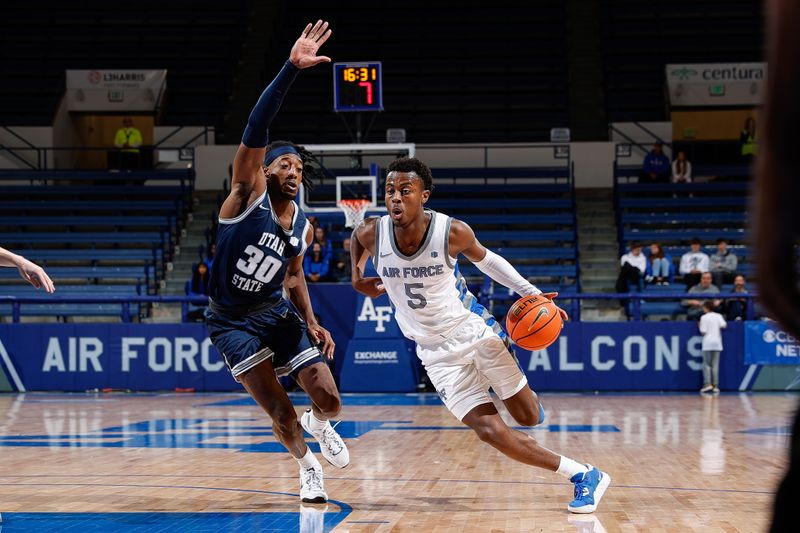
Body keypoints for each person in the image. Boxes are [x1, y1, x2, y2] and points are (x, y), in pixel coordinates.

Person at [350, 157, 611, 514]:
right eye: (390, 191)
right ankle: (583, 474)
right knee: (489, 432)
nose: (395, 198)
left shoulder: (451, 231)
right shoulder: (369, 232)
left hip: (474, 331)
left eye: (405, 191)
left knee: (528, 417)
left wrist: (531, 294)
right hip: (435, 353)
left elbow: (489, 262)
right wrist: (360, 280)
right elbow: (356, 261)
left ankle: (523, 394)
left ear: (423, 195)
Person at [204, 21, 349, 505]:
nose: (293, 171)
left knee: (330, 400)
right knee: (281, 413)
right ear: (265, 169)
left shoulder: (304, 226)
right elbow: (255, 129)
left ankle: (319, 424)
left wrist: (312, 320)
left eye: (299, 168)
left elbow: (291, 275)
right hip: (230, 321)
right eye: (284, 164)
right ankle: (308, 468)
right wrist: (290, 68)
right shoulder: (246, 195)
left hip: (274, 310)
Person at [698, 300, 726, 394]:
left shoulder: (704, 317)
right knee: (715, 365)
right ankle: (716, 386)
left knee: (706, 364)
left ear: (706, 308)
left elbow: (703, 331)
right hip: (717, 343)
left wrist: (699, 325)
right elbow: (723, 325)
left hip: (707, 343)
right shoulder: (718, 316)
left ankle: (707, 384)